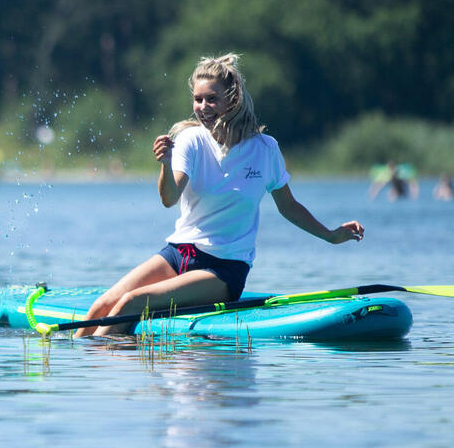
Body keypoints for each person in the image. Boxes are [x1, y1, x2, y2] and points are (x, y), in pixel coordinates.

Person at [79, 53, 364, 337]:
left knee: (132, 302)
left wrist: (330, 235)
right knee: (103, 305)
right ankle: (75, 370)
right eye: (198, 99)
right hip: (178, 254)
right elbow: (169, 198)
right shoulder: (190, 140)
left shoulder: (265, 149)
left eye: (211, 99)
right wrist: (165, 165)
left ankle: (102, 363)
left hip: (224, 269)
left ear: (233, 99)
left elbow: (288, 206)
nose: (203, 107)